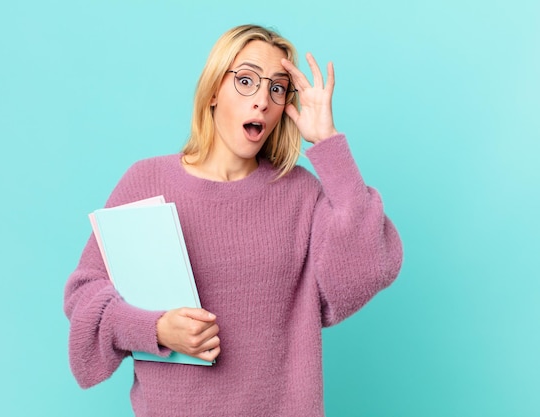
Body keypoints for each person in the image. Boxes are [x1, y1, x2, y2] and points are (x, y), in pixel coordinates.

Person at [64, 24, 403, 417]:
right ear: (212, 92)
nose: (261, 100)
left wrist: (327, 143)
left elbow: (371, 264)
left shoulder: (301, 193)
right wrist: (155, 329)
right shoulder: (145, 181)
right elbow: (85, 295)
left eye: (277, 88)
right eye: (245, 81)